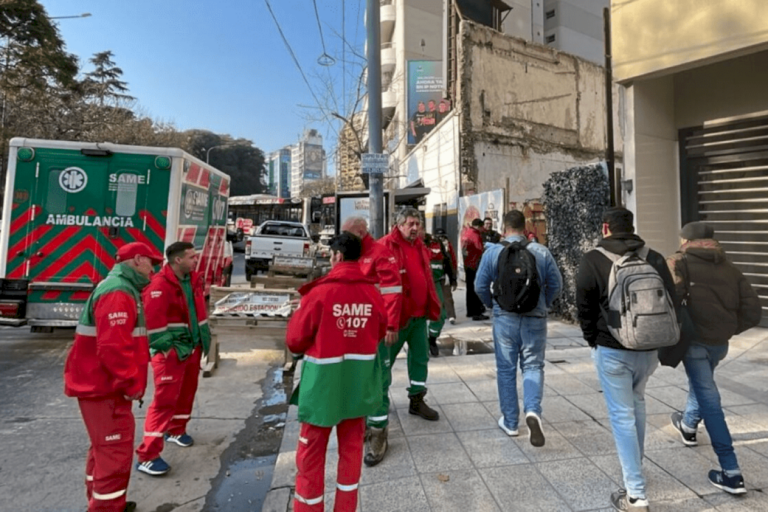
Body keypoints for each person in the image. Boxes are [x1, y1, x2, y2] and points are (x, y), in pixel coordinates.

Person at [575, 207, 676, 512]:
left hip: (612, 347)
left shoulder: (593, 258)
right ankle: (636, 468)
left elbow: (584, 306)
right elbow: (672, 298)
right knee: (638, 404)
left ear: (605, 227)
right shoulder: (654, 256)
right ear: (631, 227)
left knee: (622, 417)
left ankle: (635, 494)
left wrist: (592, 339)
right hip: (649, 349)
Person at [287, 233, 387, 512]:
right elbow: (379, 330)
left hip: (322, 390)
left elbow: (295, 340)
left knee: (310, 456)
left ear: (338, 256)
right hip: (358, 389)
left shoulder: (319, 293)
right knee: (351, 454)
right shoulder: (373, 293)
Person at [64, 242, 163, 512]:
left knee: (102, 449)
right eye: (151, 263)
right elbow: (113, 348)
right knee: (114, 452)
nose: (153, 270)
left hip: (99, 387)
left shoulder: (120, 287)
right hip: (105, 389)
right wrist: (130, 383)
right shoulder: (119, 292)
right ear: (138, 259)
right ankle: (107, 507)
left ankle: (99, 501)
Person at [666, 222, 760, 496]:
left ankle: (731, 473)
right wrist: (728, 329)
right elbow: (753, 311)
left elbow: (670, 301)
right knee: (703, 384)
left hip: (694, 342)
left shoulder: (679, 264)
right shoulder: (730, 267)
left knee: (710, 399)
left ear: (685, 240)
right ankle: (688, 427)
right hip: (720, 345)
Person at [475, 210, 562, 447]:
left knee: (506, 369)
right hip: (535, 317)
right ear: (525, 228)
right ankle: (532, 411)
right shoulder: (541, 251)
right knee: (533, 365)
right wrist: (544, 303)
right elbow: (556, 284)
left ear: (504, 228)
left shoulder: (492, 252)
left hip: (505, 318)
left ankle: (511, 422)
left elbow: (479, 285)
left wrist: (492, 305)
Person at [365, 208, 443, 467]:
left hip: (418, 319)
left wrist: (434, 309)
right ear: (397, 225)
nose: (415, 227)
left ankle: (417, 400)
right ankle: (377, 430)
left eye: (417, 223)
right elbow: (377, 288)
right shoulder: (383, 247)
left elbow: (427, 280)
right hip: (392, 324)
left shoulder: (420, 245)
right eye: (410, 223)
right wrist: (388, 322)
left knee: (420, 362)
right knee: (381, 373)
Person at [135, 242, 211, 476]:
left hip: (191, 349)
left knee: (187, 392)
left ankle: (176, 430)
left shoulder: (192, 280)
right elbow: (154, 326)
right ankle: (147, 455)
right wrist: (168, 349)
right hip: (172, 353)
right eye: (192, 257)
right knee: (164, 401)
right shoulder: (159, 285)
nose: (196, 260)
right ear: (178, 260)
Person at [424, 228, 457, 357]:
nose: (415, 228)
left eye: (418, 225)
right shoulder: (409, 245)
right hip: (418, 284)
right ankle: (418, 344)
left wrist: (453, 278)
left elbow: (447, 260)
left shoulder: (437, 243)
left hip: (436, 283)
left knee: (440, 314)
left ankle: (431, 339)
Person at [461, 218, 487, 320]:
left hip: (468, 264)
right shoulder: (475, 235)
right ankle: (476, 313)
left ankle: (470, 311)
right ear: (479, 226)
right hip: (474, 264)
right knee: (476, 288)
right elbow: (479, 249)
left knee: (470, 289)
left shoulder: (467, 233)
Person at [435, 228, 458, 325]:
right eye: (439, 238)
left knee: (447, 296)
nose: (442, 240)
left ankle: (451, 315)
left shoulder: (447, 250)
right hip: (432, 277)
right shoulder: (428, 249)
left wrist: (453, 279)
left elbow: (451, 264)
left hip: (444, 276)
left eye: (443, 238)